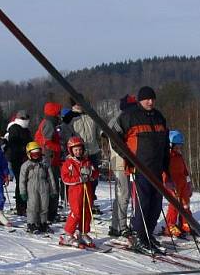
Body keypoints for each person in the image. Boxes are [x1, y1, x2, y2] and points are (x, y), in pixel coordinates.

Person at [113, 86, 170, 253]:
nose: (150, 102)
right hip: (140, 168)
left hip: (157, 168)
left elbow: (165, 143)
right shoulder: (129, 116)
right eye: (147, 99)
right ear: (140, 100)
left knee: (156, 204)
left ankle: (148, 234)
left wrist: (166, 165)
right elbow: (114, 137)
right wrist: (127, 157)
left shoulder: (159, 117)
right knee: (142, 204)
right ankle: (139, 236)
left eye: (152, 99)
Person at [63, 97, 103, 213]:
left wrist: (101, 139)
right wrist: (70, 151)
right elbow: (66, 136)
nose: (80, 105)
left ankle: (90, 200)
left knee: (93, 178)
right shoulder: (69, 117)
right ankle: (78, 202)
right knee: (79, 179)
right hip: (79, 153)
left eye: (82, 102)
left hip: (93, 150)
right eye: (77, 103)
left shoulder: (91, 114)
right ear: (74, 104)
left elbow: (97, 131)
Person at [59, 136, 99, 247]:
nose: (78, 152)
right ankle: (68, 235)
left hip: (87, 190)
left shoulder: (87, 162)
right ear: (71, 150)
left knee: (87, 211)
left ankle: (83, 233)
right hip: (76, 191)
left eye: (80, 149)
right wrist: (79, 179)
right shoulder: (68, 163)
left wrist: (90, 174)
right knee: (76, 212)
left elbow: (95, 174)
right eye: (76, 150)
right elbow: (65, 179)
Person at [107, 94, 136, 238]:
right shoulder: (118, 119)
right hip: (119, 160)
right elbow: (107, 135)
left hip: (127, 160)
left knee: (125, 194)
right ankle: (120, 226)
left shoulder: (128, 118)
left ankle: (117, 225)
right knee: (123, 194)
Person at [19, 141, 57, 234]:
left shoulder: (45, 164)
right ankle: (32, 223)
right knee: (33, 206)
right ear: (29, 154)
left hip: (44, 186)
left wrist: (53, 190)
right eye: (34, 154)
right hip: (31, 187)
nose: (36, 156)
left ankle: (43, 223)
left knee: (44, 206)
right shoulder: (26, 166)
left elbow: (51, 178)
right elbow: (22, 180)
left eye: (38, 154)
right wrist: (23, 192)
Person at [34, 102, 63, 222]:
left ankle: (49, 212)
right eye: (58, 112)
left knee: (50, 186)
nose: (60, 114)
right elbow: (46, 143)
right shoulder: (49, 124)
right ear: (54, 113)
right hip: (49, 160)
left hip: (49, 159)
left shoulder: (46, 123)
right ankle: (51, 213)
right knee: (52, 186)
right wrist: (59, 148)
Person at [162, 129, 194, 238]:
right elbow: (164, 173)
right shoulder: (166, 157)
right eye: (176, 146)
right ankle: (170, 226)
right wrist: (169, 184)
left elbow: (185, 172)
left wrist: (189, 185)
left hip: (183, 184)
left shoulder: (179, 156)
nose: (178, 148)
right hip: (172, 185)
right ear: (170, 145)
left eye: (180, 146)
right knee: (174, 205)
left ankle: (185, 223)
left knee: (185, 204)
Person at [4, 110, 31, 216]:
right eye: (24, 119)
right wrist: (24, 150)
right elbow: (13, 145)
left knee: (25, 182)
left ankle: (25, 204)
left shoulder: (25, 130)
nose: (27, 121)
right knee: (21, 182)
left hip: (25, 158)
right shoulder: (14, 128)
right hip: (17, 159)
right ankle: (20, 206)